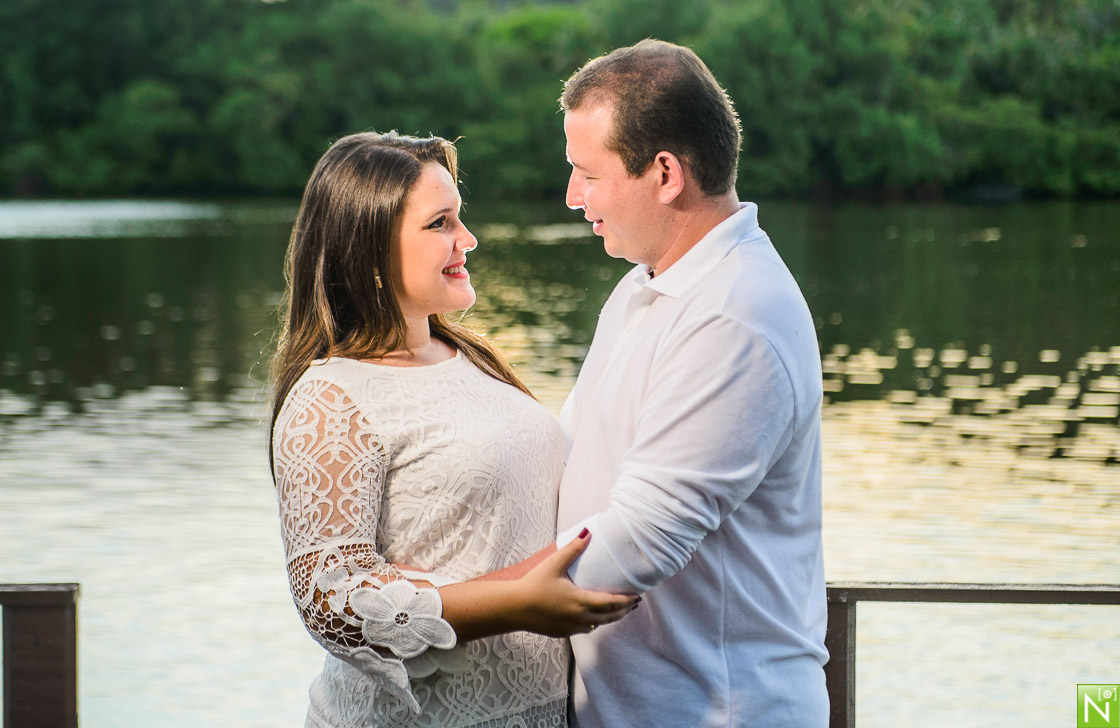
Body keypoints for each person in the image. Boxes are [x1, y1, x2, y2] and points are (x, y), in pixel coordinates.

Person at [268, 131, 636, 728]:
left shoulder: (471, 359)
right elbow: (329, 601)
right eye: (440, 223)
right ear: (369, 253)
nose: (468, 240)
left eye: (459, 218)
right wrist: (512, 604)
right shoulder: (331, 399)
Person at [553, 40, 829, 726]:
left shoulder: (737, 313)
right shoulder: (644, 287)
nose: (572, 196)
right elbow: (565, 457)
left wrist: (450, 609)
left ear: (666, 173)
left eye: (586, 173)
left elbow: (639, 541)